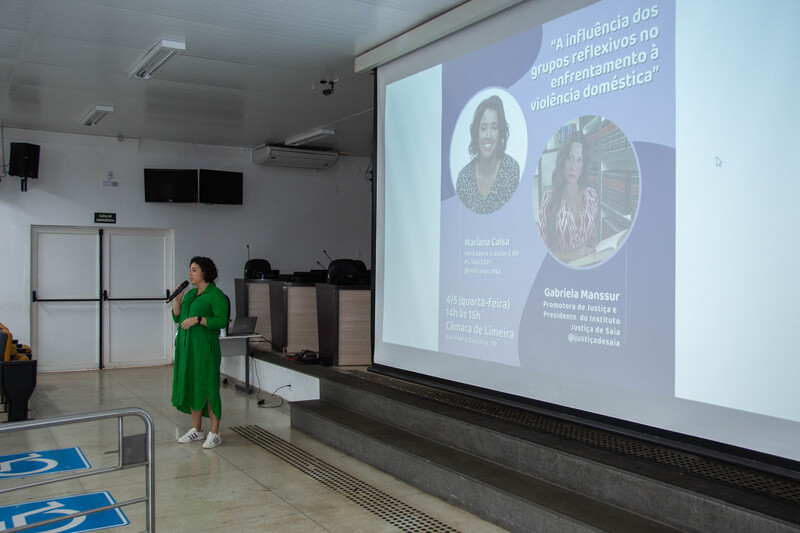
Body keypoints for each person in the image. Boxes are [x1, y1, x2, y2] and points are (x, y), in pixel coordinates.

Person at [171, 256, 229, 449]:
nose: (190, 273)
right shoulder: (190, 295)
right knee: (193, 385)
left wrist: (200, 319)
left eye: (194, 270)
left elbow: (221, 321)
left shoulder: (215, 295)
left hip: (205, 349)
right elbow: (177, 317)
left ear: (205, 272)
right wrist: (177, 300)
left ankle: (215, 432)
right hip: (187, 349)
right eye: (190, 269)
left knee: (208, 388)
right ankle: (197, 429)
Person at [537, 131, 598, 263]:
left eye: (579, 160)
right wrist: (570, 256)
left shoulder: (591, 196)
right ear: (562, 160)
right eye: (570, 158)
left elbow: (593, 242)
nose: (573, 167)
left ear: (584, 165)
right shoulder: (549, 198)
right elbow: (540, 250)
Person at [456, 95, 520, 214]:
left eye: (494, 127)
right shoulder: (464, 178)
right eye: (483, 128)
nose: (489, 135)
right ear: (476, 132)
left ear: (500, 132)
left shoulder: (511, 169)